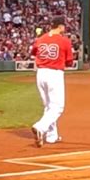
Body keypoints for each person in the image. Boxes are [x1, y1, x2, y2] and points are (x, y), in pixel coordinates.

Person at [31, 16, 74, 148]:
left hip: (41, 73)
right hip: (54, 74)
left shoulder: (40, 39)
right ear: (60, 26)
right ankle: (40, 127)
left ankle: (52, 136)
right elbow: (70, 62)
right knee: (57, 107)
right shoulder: (64, 41)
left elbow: (34, 53)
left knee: (49, 106)